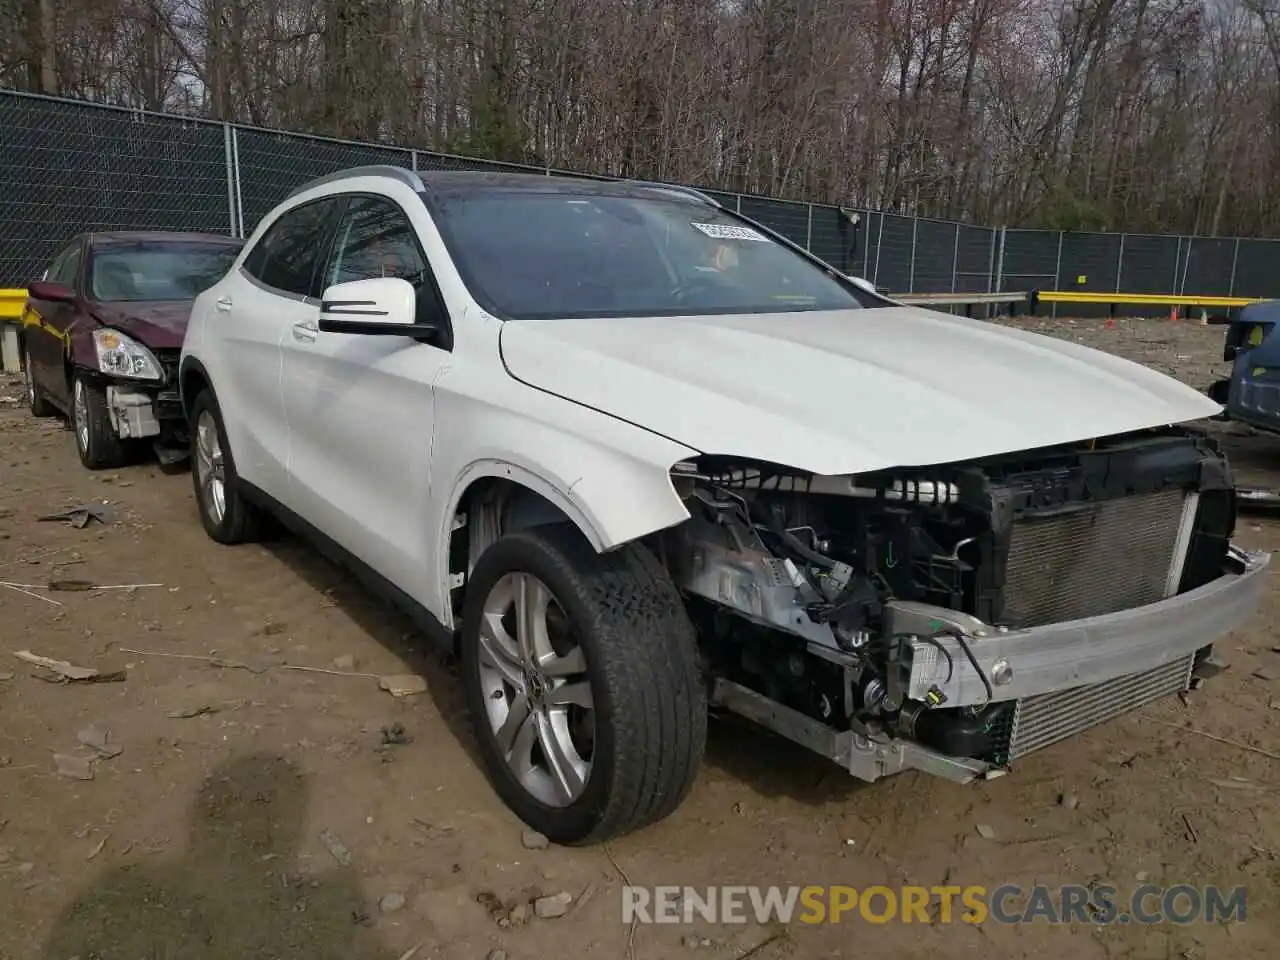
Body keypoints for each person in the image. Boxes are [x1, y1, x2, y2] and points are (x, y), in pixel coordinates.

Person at [43, 753, 394, 960]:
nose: (253, 822)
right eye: (232, 807)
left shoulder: (123, 890)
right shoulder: (126, 894)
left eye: (266, 808)